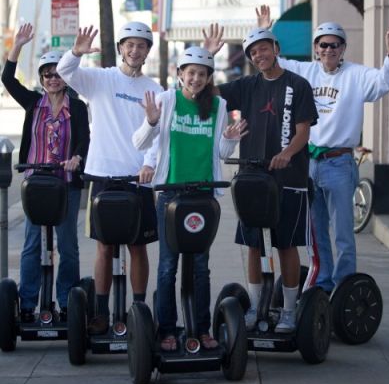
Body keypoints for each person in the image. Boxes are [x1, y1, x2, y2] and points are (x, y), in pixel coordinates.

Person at [256, 4, 389, 293]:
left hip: (339, 163)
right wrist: (266, 31)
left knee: (343, 235)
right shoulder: (305, 72)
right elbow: (275, 62)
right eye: (323, 45)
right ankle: (322, 284)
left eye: (334, 45)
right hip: (309, 163)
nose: (329, 50)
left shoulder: (357, 75)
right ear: (315, 48)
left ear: (343, 48)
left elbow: (386, 81)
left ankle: (344, 289)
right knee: (315, 233)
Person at [132, 46, 248, 351]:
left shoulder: (218, 106)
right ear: (180, 74)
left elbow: (221, 154)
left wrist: (231, 138)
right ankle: (167, 330)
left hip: (202, 195)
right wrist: (152, 121)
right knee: (168, 266)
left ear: (209, 77)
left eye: (201, 74)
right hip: (170, 194)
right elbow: (140, 142)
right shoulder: (167, 100)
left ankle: (201, 328)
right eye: (190, 73)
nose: (195, 78)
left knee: (200, 265)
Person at [204, 25, 318, 333]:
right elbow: (209, 90)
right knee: (253, 245)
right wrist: (208, 57)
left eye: (263, 48)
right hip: (253, 180)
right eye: (254, 52)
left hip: (289, 179)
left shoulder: (298, 85)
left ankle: (290, 310)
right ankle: (255, 307)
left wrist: (287, 154)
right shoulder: (247, 86)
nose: (259, 55)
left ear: (276, 49)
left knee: (286, 245)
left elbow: (303, 131)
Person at [57, 21, 162, 335]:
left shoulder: (155, 90)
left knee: (138, 247)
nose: (134, 50)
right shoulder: (101, 79)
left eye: (141, 45)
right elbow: (65, 72)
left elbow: (158, 136)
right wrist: (76, 51)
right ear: (121, 48)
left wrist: (150, 164)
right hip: (103, 176)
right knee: (104, 246)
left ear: (147, 52)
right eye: (129, 44)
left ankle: (139, 309)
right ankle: (101, 313)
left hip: (137, 179)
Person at [1, 23, 90, 322]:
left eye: (57, 74)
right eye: (47, 74)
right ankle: (27, 303)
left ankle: (67, 302)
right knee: (32, 244)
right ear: (41, 79)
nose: (52, 79)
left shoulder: (77, 108)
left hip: (66, 184)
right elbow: (7, 79)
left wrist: (77, 157)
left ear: (66, 77)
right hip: (37, 184)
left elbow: (84, 138)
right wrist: (17, 47)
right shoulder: (32, 105)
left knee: (68, 245)